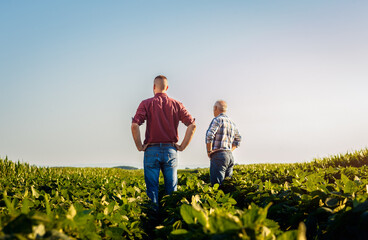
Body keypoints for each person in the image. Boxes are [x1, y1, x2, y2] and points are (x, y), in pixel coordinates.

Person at [131, 75, 196, 207]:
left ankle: (152, 221)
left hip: (151, 150)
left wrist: (139, 146)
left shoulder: (146, 103)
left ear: (154, 87)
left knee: (152, 191)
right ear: (167, 88)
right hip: (170, 150)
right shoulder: (177, 104)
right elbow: (192, 125)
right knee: (172, 191)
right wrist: (182, 146)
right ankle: (171, 220)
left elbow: (134, 125)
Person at [206, 100, 241, 185]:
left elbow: (209, 136)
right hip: (230, 156)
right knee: (227, 186)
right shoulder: (232, 122)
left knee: (217, 187)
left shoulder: (217, 120)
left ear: (215, 108)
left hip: (218, 155)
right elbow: (238, 139)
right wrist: (228, 150)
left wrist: (209, 151)